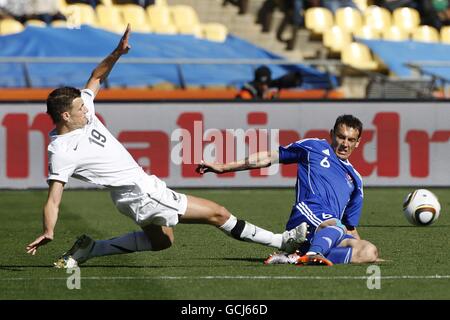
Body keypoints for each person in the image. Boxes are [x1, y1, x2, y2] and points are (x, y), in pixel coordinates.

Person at [25, 25, 307, 268]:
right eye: (79, 109)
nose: (86, 109)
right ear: (65, 116)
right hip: (142, 194)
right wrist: (49, 230)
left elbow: (97, 76)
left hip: (132, 194)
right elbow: (54, 197)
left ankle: (91, 249)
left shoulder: (82, 113)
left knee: (162, 241)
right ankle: (281, 241)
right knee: (217, 213)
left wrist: (117, 52)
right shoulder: (61, 151)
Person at [197, 115, 380, 266]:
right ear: (332, 134)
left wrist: (360, 247)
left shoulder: (356, 179)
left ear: (358, 142)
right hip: (306, 215)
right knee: (336, 226)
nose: (345, 144)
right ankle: (313, 253)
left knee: (368, 251)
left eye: (351, 139)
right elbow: (269, 156)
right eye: (341, 136)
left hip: (330, 232)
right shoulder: (314, 147)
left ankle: (298, 256)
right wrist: (224, 167)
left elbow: (350, 227)